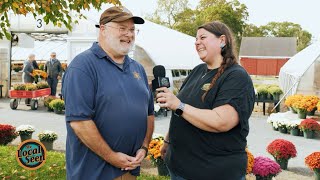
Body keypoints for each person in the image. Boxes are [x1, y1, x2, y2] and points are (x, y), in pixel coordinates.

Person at [62, 6, 154, 180]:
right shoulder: (82, 67)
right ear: (103, 29)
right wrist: (112, 157)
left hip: (129, 170)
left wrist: (144, 146)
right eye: (122, 28)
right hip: (94, 173)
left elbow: (149, 113)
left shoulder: (138, 68)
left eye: (132, 29)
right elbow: (80, 122)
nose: (129, 34)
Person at [157, 21, 255, 180]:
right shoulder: (197, 71)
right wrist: (168, 140)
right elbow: (179, 113)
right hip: (179, 168)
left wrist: (178, 105)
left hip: (213, 172)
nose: (197, 42)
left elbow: (221, 121)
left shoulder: (236, 76)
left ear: (222, 40)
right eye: (196, 39)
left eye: (203, 37)